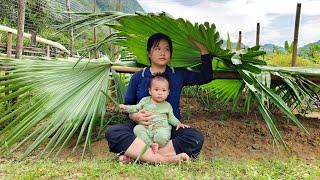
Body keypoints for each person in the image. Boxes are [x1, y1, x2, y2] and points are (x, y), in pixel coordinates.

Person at [105, 32, 213, 164]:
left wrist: (203, 50)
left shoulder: (178, 74)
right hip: (142, 127)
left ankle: (137, 156)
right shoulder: (139, 76)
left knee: (195, 138)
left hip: (168, 127)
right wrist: (135, 117)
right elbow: (128, 106)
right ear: (149, 53)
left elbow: (206, 77)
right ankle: (165, 159)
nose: (163, 53)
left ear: (170, 54)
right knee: (113, 132)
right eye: (158, 48)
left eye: (167, 49)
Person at [119, 73, 190, 154]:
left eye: (164, 90)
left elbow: (171, 117)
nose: (160, 93)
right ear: (150, 91)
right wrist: (125, 108)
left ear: (168, 92)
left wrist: (178, 123)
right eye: (156, 90)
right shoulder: (145, 100)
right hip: (146, 127)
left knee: (162, 136)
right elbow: (136, 108)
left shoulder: (167, 105)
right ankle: (151, 145)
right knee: (137, 129)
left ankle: (155, 147)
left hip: (161, 128)